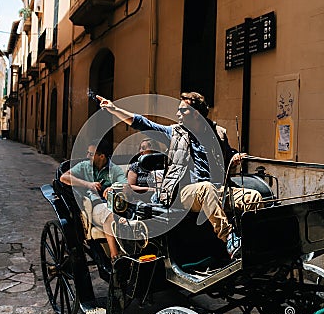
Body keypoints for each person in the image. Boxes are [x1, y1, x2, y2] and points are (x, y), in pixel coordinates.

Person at [97, 92, 262, 259]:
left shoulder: (218, 133)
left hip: (216, 190)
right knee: (206, 189)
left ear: (196, 114)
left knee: (253, 196)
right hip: (183, 193)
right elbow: (144, 124)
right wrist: (114, 109)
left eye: (183, 110)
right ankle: (230, 239)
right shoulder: (175, 133)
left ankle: (253, 243)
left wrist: (234, 157)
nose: (177, 114)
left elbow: (227, 155)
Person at [60, 139, 127, 260]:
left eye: (91, 154)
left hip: (114, 204)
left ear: (101, 156)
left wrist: (113, 187)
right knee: (109, 214)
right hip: (95, 206)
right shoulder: (84, 166)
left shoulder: (114, 169)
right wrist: (88, 184)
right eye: (88, 153)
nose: (87, 156)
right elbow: (64, 177)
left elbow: (125, 184)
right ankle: (114, 256)